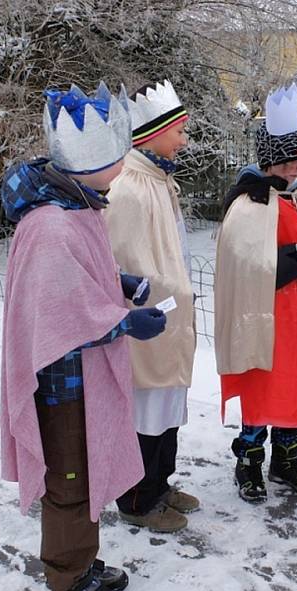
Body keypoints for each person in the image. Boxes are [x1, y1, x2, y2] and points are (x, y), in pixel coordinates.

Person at [0, 82, 167, 591]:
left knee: (85, 471)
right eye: (115, 159)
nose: (122, 167)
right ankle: (69, 581)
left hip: (78, 378)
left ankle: (81, 564)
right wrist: (123, 322)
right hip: (59, 384)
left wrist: (117, 284)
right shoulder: (52, 223)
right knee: (70, 481)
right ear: (87, 163)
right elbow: (57, 311)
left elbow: (76, 279)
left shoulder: (78, 207)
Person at [214, 83, 297, 503]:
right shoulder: (249, 205)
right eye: (288, 162)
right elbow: (253, 268)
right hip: (265, 316)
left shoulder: (291, 198)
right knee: (262, 386)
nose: (295, 169)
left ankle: (286, 460)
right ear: (270, 161)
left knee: (291, 385)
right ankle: (248, 459)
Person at [105, 79, 199, 533]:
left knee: (168, 406)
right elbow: (124, 261)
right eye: (179, 130)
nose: (184, 139)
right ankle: (137, 499)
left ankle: (160, 484)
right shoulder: (129, 187)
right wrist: (161, 296)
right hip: (149, 319)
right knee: (147, 409)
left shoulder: (160, 181)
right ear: (153, 132)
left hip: (171, 315)